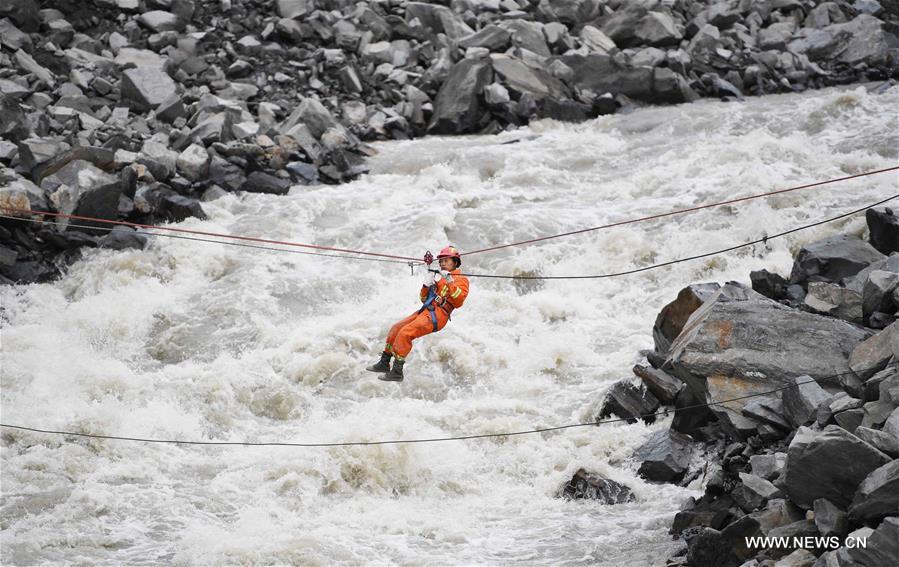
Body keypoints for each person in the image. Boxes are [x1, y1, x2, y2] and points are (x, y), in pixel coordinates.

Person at [366, 246, 470, 382]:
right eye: (441, 261)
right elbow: (424, 299)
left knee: (405, 333)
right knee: (396, 328)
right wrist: (426, 286)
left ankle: (397, 371)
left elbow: (459, 300)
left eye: (446, 260)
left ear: (455, 262)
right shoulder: (441, 278)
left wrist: (450, 282)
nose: (442, 263)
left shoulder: (461, 280)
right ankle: (384, 362)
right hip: (428, 310)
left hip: (439, 316)